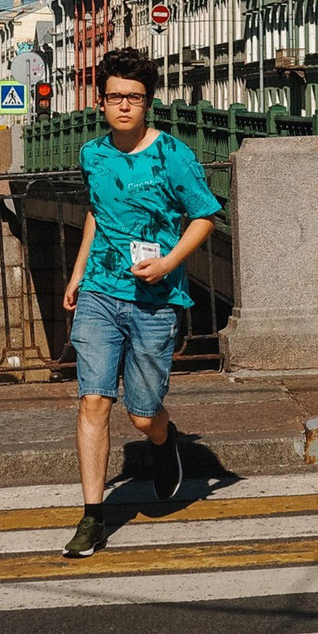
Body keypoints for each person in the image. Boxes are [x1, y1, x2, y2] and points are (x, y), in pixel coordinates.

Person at [60, 47, 222, 560]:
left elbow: (204, 217)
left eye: (133, 97)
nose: (123, 106)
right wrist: (79, 272)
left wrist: (169, 262)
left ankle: (163, 440)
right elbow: (96, 211)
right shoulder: (92, 154)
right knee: (93, 400)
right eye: (114, 97)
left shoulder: (173, 155)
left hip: (156, 300)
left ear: (148, 102)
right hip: (101, 295)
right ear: (101, 102)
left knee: (142, 411)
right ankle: (92, 516)